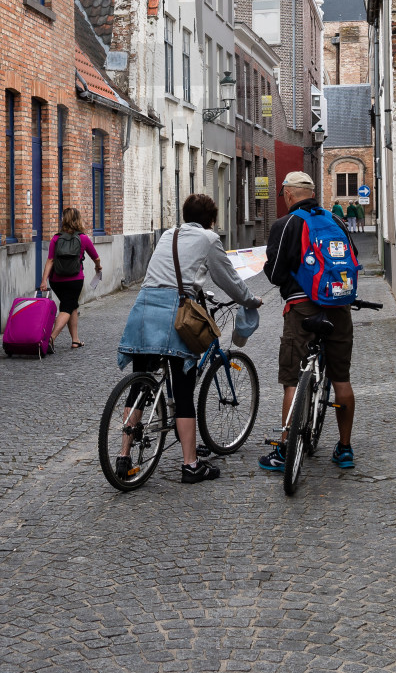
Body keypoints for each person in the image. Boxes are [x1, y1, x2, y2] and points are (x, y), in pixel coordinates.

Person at [116, 192, 262, 484]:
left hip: (144, 309)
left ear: (185, 215)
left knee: (139, 385)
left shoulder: (169, 234)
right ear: (211, 220)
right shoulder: (209, 240)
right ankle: (191, 465)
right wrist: (250, 300)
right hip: (175, 316)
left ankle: (123, 455)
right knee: (183, 393)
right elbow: (229, 280)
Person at [259, 169, 357, 472]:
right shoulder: (336, 221)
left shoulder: (285, 224)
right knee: (341, 379)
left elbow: (275, 274)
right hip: (338, 308)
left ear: (289, 194)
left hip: (302, 311)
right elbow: (351, 258)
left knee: (292, 379)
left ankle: (285, 449)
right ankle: (344, 448)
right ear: (312, 193)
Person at [39, 207, 101, 351]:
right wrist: (98, 267)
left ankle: (75, 340)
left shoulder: (56, 238)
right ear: (78, 220)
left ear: (64, 220)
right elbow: (96, 257)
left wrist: (44, 280)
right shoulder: (83, 238)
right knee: (67, 306)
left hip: (56, 280)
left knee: (71, 304)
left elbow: (50, 261)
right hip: (75, 279)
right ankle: (50, 338)